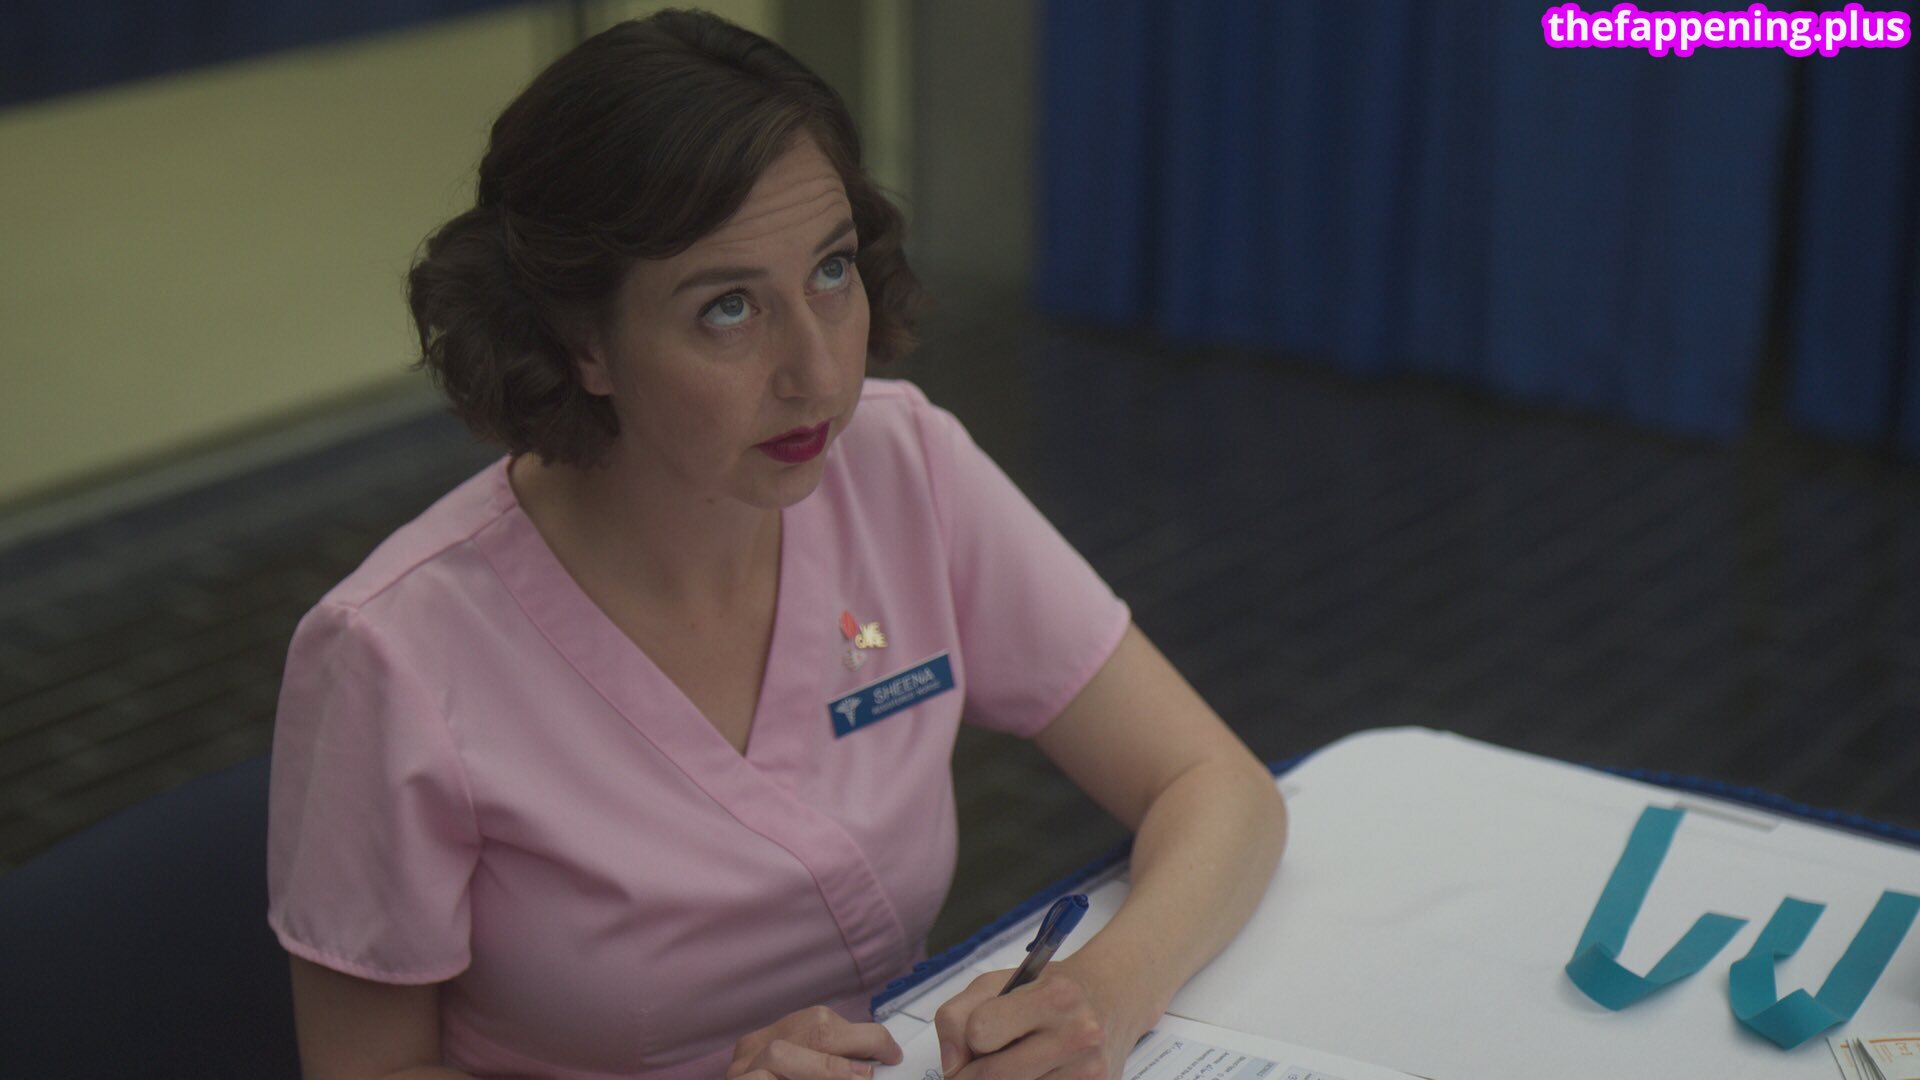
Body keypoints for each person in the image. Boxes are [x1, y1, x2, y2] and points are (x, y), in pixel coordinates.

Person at [267, 9, 1287, 1080]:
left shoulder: (900, 467)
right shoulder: (389, 653)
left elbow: (1217, 784)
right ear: (580, 343)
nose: (818, 373)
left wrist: (1108, 991)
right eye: (727, 309)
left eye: (831, 271)